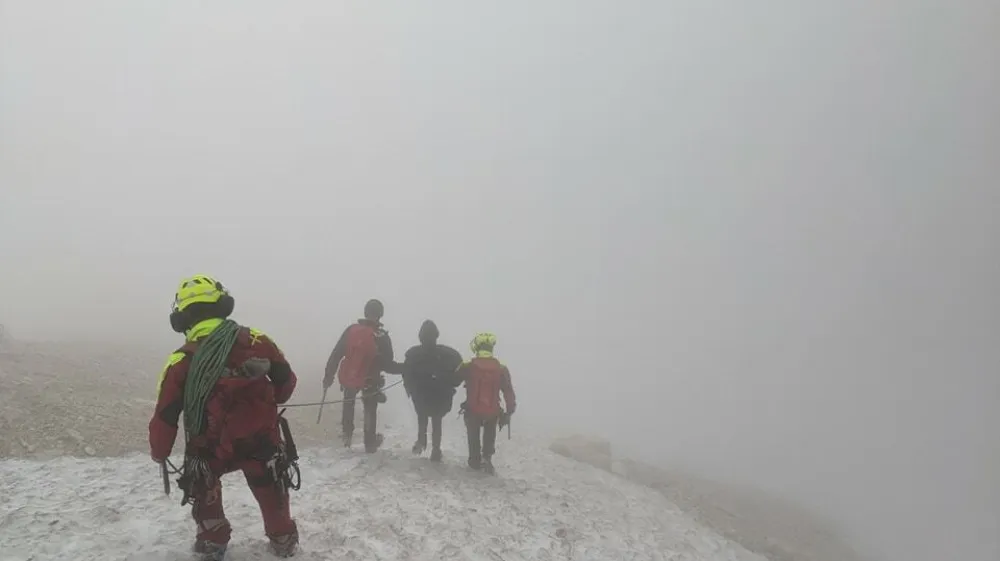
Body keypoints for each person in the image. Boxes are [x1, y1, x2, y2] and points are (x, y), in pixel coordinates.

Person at [149, 274, 300, 560]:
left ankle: (212, 541)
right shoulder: (258, 341)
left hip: (208, 448)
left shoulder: (180, 361)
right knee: (271, 486)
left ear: (181, 318)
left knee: (203, 486)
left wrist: (160, 452)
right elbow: (286, 385)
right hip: (261, 441)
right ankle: (282, 538)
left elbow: (165, 414)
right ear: (222, 304)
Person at [323, 299, 401, 453]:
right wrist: (405, 369)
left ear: (365, 312)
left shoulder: (351, 330)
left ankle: (347, 435)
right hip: (371, 379)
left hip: (350, 376)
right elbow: (387, 363)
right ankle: (369, 441)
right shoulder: (381, 335)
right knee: (370, 407)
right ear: (380, 315)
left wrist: (328, 376)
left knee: (349, 401)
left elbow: (336, 353)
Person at [400, 320, 463, 462]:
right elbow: (459, 373)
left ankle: (421, 441)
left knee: (422, 416)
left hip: (420, 394)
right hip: (441, 395)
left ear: (420, 337)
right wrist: (452, 385)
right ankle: (436, 449)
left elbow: (406, 373)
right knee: (437, 420)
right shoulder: (449, 354)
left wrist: (409, 388)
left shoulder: (413, 354)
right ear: (436, 335)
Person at [457, 332, 516, 475]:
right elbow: (508, 390)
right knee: (490, 432)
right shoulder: (501, 368)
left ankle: (474, 460)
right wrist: (509, 410)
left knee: (473, 434)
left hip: (472, 409)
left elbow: (454, 379)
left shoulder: (468, 365)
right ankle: (487, 457)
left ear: (477, 348)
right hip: (492, 410)